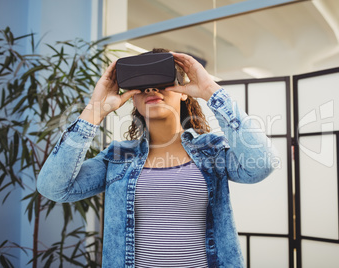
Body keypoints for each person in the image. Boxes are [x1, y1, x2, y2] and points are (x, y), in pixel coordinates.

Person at [37, 48, 277, 268]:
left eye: (161, 81)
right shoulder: (118, 157)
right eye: (142, 85)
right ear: (132, 98)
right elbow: (53, 187)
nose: (151, 89)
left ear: (184, 93)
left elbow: (262, 164)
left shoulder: (211, 150)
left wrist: (210, 90)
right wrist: (94, 110)